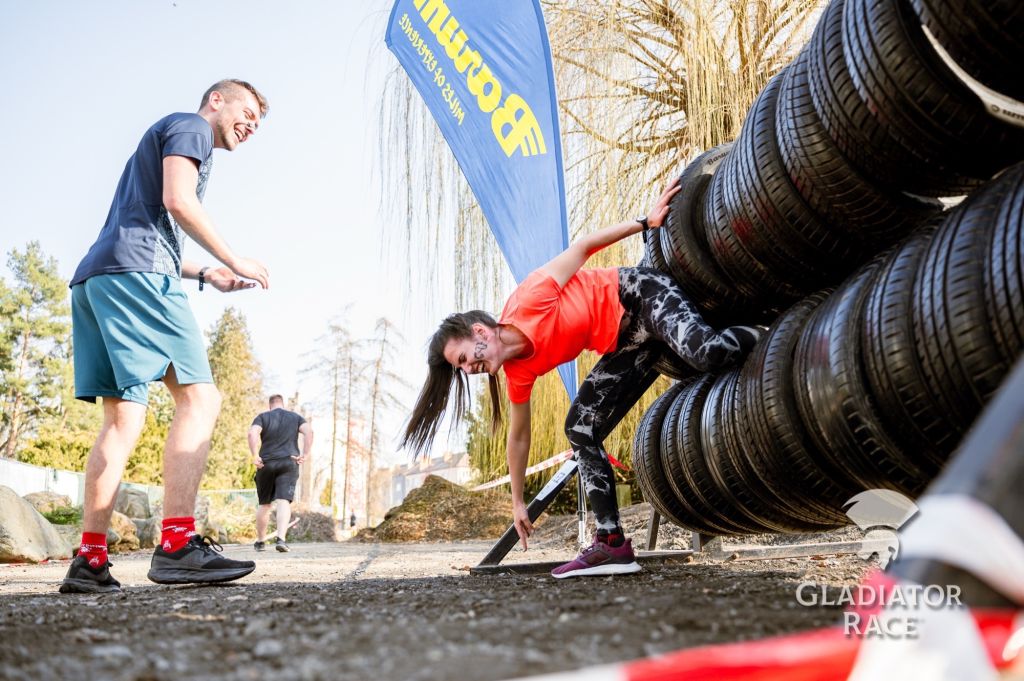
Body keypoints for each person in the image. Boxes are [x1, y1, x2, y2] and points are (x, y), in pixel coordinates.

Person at [401, 179, 765, 579]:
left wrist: (645, 222)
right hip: (628, 343)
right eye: (461, 369)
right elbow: (518, 438)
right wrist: (518, 502)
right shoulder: (518, 372)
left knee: (705, 352)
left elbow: (583, 247)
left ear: (480, 333)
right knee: (579, 427)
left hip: (641, 295)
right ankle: (612, 544)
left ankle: (771, 334)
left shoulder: (529, 299)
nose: (468, 369)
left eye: (464, 358)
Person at [59, 79, 271, 594]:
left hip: (97, 279)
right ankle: (177, 544)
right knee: (200, 398)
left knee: (122, 419)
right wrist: (234, 258)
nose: (251, 126)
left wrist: (206, 273)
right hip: (138, 276)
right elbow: (178, 200)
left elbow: (150, 229)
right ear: (216, 100)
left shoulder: (166, 137)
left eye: (257, 124)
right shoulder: (192, 125)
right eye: (246, 112)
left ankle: (90, 560)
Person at [249, 395, 313, 553]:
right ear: (282, 404)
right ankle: (281, 540)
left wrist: (255, 455)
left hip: (266, 463)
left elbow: (252, 434)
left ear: (270, 405)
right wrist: (305, 454)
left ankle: (261, 542)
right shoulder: (295, 417)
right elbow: (309, 432)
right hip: (288, 462)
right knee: (283, 501)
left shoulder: (262, 417)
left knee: (265, 504)